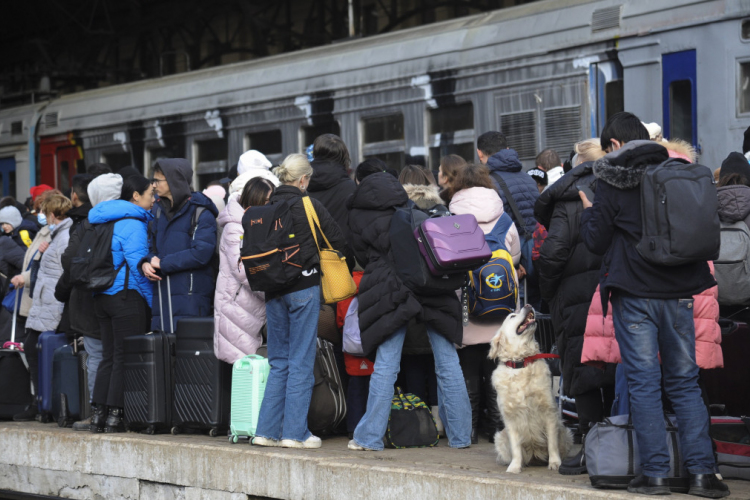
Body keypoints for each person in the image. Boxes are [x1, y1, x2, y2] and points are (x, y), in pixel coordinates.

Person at [579, 111, 729, 498]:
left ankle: (657, 474)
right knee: (685, 383)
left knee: (644, 384)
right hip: (680, 292)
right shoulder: (678, 173)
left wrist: (590, 213)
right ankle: (702, 475)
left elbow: (596, 243)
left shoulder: (613, 181)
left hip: (635, 297)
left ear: (614, 145)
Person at [346, 170, 471, 451]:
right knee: (448, 361)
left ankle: (370, 437)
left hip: (390, 288)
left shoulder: (357, 213)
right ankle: (461, 436)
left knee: (387, 365)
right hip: (431, 284)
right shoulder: (409, 207)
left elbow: (360, 255)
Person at [251, 154, 351, 449]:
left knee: (278, 361)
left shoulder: (266, 206)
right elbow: (337, 241)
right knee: (301, 361)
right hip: (303, 288)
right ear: (304, 179)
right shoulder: (308, 204)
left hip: (273, 291)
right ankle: (295, 433)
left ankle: (265, 432)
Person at [533, 141, 613, 475]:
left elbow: (552, 255)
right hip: (614, 290)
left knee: (582, 369)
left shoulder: (567, 200)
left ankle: (592, 449)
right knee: (613, 367)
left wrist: (551, 293)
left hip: (576, 295)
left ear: (576, 165)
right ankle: (617, 445)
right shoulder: (616, 188)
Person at [448, 163, 521, 444]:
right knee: (496, 371)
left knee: (467, 368)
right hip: (501, 308)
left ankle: (468, 430)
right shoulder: (503, 217)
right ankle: (497, 430)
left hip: (466, 303)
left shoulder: (452, 215)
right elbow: (513, 257)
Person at [55, 173, 122, 431]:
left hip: (87, 299)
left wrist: (63, 291)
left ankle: (96, 412)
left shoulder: (85, 223)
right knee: (113, 356)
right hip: (120, 297)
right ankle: (114, 411)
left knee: (97, 356)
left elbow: (70, 261)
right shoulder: (129, 218)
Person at [87, 175, 154, 433]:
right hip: (126, 296)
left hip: (101, 295)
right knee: (123, 358)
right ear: (135, 196)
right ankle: (117, 415)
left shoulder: (101, 220)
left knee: (108, 356)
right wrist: (150, 302)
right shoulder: (132, 223)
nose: (153, 199)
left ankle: (98, 415)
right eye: (150, 193)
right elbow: (139, 268)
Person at [13, 193, 73, 421]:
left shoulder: (64, 236)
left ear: (51, 213)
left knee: (37, 349)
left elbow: (62, 272)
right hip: (44, 302)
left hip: (52, 304)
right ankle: (41, 401)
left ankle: (44, 402)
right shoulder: (55, 235)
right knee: (33, 348)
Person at [141, 159, 218, 333]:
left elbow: (202, 253)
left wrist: (163, 263)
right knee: (163, 353)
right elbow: (151, 249)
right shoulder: (158, 211)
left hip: (191, 297)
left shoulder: (200, 213)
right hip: (163, 296)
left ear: (173, 180)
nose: (153, 185)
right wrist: (145, 263)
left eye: (158, 180)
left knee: (188, 351)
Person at [213, 177, 274, 364]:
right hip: (237, 308)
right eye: (266, 202)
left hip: (248, 307)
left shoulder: (256, 223)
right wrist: (274, 290)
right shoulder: (235, 228)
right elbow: (244, 270)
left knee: (252, 370)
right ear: (254, 200)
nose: (270, 206)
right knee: (246, 372)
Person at [478, 131, 540, 306]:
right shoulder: (528, 178)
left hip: (511, 259)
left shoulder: (488, 183)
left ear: (479, 153)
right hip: (535, 254)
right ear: (506, 149)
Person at [308, 134, 356, 246]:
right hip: (343, 256)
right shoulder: (351, 187)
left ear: (315, 153)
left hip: (312, 256)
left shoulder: (303, 185)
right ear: (344, 156)